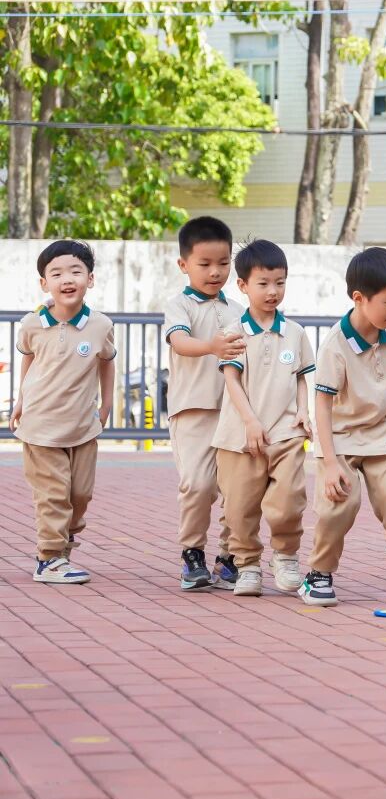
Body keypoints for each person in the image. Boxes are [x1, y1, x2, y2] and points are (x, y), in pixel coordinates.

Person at [300, 248, 386, 608]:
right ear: (359, 298)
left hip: (383, 436)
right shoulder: (335, 346)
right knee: (340, 505)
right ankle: (319, 574)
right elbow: (322, 405)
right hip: (340, 439)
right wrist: (330, 463)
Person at [211, 240, 314, 598]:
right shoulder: (233, 332)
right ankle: (248, 565)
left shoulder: (295, 333)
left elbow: (302, 376)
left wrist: (303, 410)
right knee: (239, 508)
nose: (273, 291)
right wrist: (251, 422)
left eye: (280, 282)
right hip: (239, 436)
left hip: (285, 433)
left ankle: (285, 556)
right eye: (264, 283)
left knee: (289, 501)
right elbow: (231, 380)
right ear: (243, 285)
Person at [10, 239, 116, 584]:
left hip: (83, 426)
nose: (67, 279)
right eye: (56, 273)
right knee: (53, 494)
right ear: (45, 283)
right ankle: (49, 558)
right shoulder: (32, 324)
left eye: (75, 271)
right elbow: (28, 359)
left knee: (80, 495)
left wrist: (107, 405)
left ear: (90, 279)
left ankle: (61, 547)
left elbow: (107, 362)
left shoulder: (101, 325)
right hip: (40, 425)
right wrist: (21, 400)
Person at [163, 216, 246, 590]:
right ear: (184, 264)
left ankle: (229, 557)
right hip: (192, 411)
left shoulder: (239, 311)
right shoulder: (179, 306)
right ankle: (192, 553)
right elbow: (179, 342)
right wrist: (212, 346)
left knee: (238, 490)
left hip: (234, 413)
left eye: (224, 263)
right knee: (197, 485)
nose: (216, 272)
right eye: (205, 263)